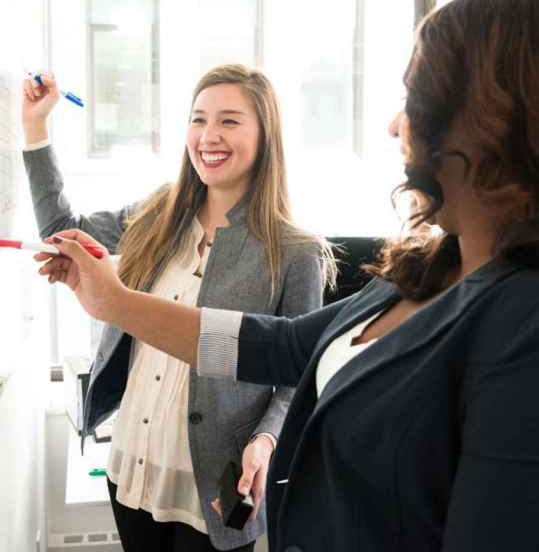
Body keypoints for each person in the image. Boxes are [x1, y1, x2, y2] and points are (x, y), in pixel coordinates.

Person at [34, 0, 539, 552]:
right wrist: (114, 303)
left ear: (492, 118)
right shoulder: (430, 268)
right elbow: (285, 346)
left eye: (413, 94)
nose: (395, 125)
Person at [20, 64, 333, 552]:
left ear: (265, 134)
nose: (209, 136)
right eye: (199, 119)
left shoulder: (294, 251)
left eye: (230, 121)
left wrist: (267, 439)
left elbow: (300, 373)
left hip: (213, 484)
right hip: (132, 465)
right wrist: (36, 127)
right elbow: (62, 229)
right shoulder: (159, 213)